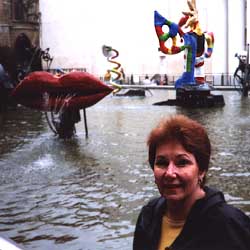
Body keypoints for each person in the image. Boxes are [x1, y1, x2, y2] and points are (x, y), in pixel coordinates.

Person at [133, 114, 250, 250]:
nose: (170, 173)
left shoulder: (231, 226)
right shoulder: (148, 216)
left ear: (201, 170)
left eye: (182, 162)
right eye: (162, 163)